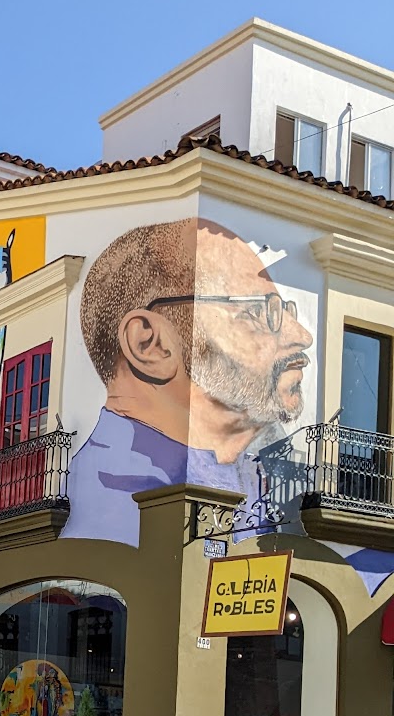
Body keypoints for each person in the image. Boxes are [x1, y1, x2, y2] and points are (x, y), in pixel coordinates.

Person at [65, 218, 313, 547]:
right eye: (259, 311)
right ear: (150, 345)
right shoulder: (119, 512)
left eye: (286, 311)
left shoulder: (252, 479)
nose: (302, 336)